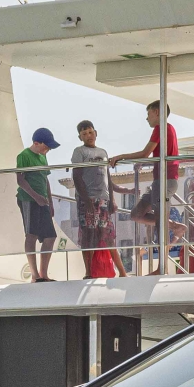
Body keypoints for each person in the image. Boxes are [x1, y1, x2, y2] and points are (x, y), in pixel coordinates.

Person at [123, 100, 183, 269]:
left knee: (159, 224)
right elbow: (158, 154)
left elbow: (145, 152)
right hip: (161, 181)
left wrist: (120, 157)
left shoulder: (161, 127)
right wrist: (145, 163)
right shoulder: (167, 128)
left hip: (165, 181)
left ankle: (160, 268)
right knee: (136, 214)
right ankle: (176, 227)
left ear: (157, 112)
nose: (146, 118)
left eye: (148, 114)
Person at [68, 120, 119, 280]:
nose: (88, 136)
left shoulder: (103, 152)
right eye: (84, 134)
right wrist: (86, 200)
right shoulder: (79, 152)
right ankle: (88, 272)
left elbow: (107, 177)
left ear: (95, 133)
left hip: (103, 199)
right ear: (80, 137)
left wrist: (112, 199)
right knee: (88, 234)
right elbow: (76, 177)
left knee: (107, 234)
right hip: (87, 199)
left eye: (90, 132)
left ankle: (120, 271)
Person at [16, 127, 58, 281]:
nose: (48, 149)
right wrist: (36, 196)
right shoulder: (23, 156)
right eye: (46, 146)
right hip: (28, 199)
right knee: (31, 235)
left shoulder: (43, 157)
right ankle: (34, 275)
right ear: (36, 143)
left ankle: (43, 274)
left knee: (50, 237)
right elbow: (20, 180)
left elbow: (45, 180)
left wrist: (50, 202)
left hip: (43, 202)